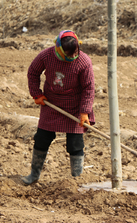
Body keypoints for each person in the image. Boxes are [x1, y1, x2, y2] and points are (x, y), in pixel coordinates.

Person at [22, 30, 95, 185]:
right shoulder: (46, 56)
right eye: (67, 55)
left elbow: (88, 88)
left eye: (73, 54)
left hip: (75, 106)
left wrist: (84, 112)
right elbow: (33, 72)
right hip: (51, 103)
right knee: (42, 139)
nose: (70, 58)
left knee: (75, 143)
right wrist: (36, 94)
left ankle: (77, 180)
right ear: (58, 48)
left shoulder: (83, 61)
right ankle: (34, 175)